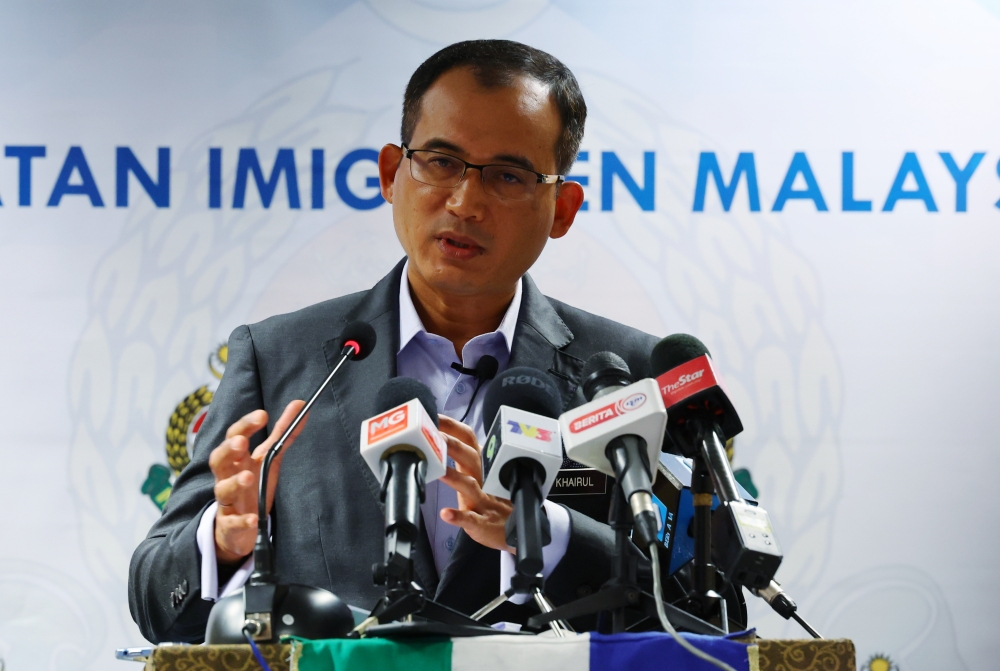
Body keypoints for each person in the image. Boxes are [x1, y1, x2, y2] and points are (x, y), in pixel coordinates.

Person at [128, 40, 658, 643]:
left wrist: (547, 530)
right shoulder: (280, 360)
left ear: (562, 209)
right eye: (440, 161)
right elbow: (153, 602)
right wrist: (225, 540)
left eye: (508, 176)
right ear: (390, 174)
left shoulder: (623, 376)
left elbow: (703, 602)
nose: (464, 202)